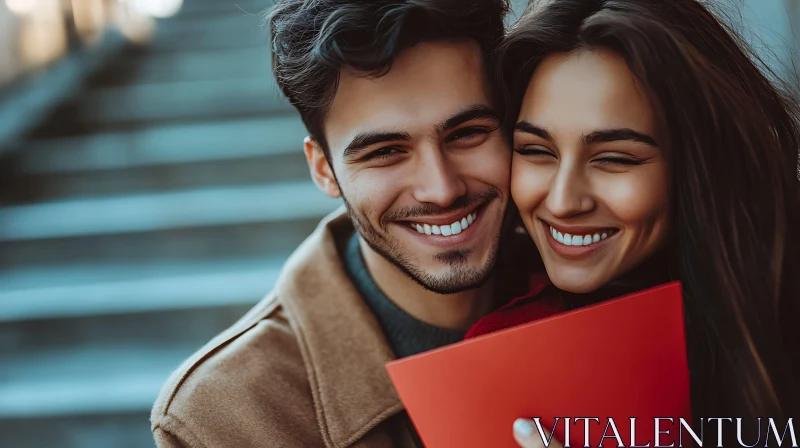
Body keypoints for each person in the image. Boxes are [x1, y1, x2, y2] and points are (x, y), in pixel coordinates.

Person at [149, 0, 525, 446]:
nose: (441, 189)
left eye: (467, 133)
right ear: (323, 169)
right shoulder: (225, 417)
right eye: (385, 152)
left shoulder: (606, 289)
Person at [469, 0, 800, 446]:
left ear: (697, 166)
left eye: (614, 158)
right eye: (535, 150)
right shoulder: (500, 354)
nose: (564, 201)